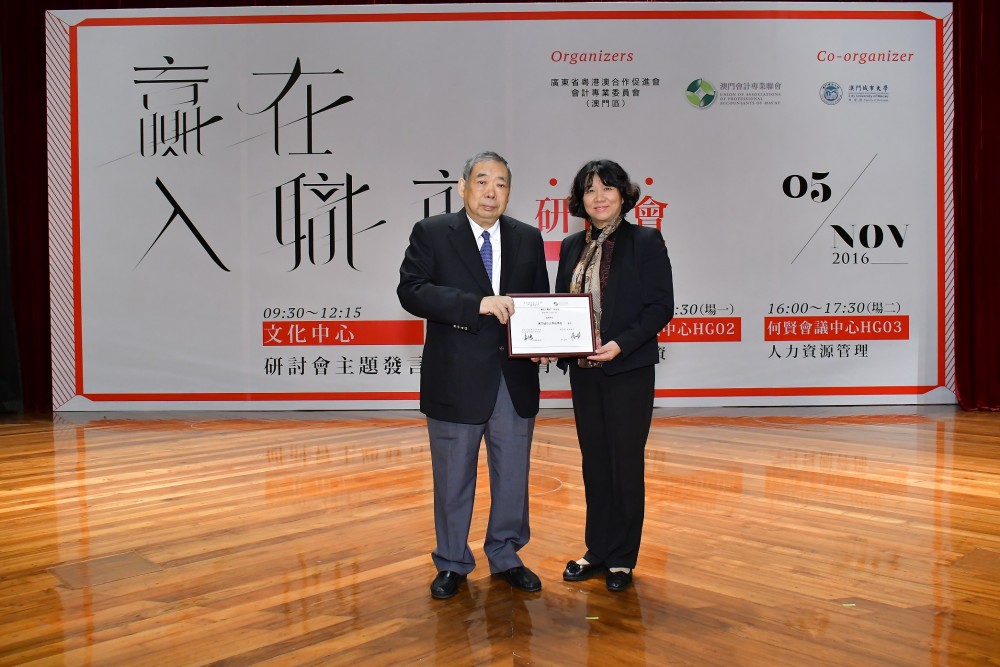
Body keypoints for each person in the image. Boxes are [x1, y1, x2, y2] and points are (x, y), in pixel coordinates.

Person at [397, 150, 550, 600]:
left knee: (513, 476)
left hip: (513, 379)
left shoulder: (527, 237)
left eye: (501, 184)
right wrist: (475, 305)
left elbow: (538, 301)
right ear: (462, 187)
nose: (490, 192)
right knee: (453, 477)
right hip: (455, 377)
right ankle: (451, 561)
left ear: (509, 192)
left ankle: (506, 554)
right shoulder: (432, 232)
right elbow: (412, 291)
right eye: (482, 181)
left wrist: (541, 343)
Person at [554, 159, 674, 592]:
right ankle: (597, 550)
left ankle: (622, 558)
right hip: (584, 372)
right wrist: (547, 344)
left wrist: (621, 343)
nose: (599, 197)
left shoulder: (645, 241)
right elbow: (559, 307)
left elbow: (661, 306)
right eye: (590, 190)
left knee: (624, 464)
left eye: (607, 188)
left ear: (623, 195)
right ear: (580, 200)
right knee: (595, 463)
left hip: (627, 369)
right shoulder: (571, 245)